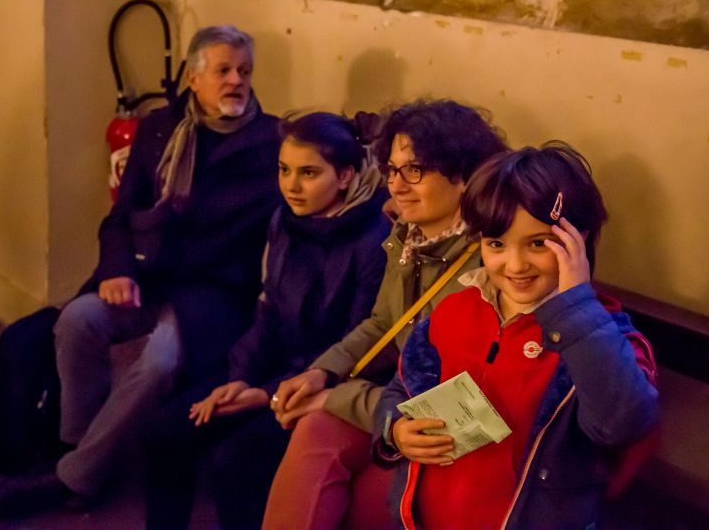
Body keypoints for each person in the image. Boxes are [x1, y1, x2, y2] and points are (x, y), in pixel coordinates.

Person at [0, 25, 282, 518]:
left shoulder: (269, 144)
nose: (237, 81)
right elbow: (122, 215)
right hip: (150, 275)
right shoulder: (160, 129)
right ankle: (82, 447)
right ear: (193, 78)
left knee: (160, 364)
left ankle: (73, 479)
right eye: (224, 71)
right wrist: (117, 269)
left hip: (211, 294)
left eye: (244, 71)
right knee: (77, 321)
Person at [374, 144, 660, 530]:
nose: (515, 264)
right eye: (496, 244)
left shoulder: (603, 335)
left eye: (538, 243)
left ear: (579, 238)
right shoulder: (453, 310)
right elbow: (401, 389)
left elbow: (622, 424)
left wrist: (576, 309)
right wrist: (394, 429)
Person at [262, 99, 508, 530]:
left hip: (453, 431)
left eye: (414, 170)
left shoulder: (491, 263)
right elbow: (384, 323)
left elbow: (468, 407)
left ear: (465, 176)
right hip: (400, 403)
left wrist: (338, 397)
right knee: (315, 426)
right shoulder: (409, 236)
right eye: (392, 170)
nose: (396, 185)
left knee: (368, 497)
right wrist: (322, 372)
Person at [142, 111, 391, 529]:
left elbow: (355, 347)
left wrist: (267, 394)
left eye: (309, 173)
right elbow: (271, 310)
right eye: (284, 169)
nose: (291, 185)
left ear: (345, 176)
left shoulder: (374, 239)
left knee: (236, 460)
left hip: (325, 384)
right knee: (165, 432)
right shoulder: (285, 220)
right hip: (273, 370)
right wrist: (240, 377)